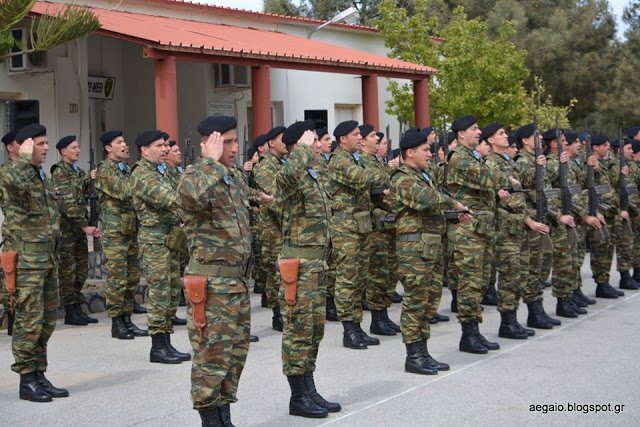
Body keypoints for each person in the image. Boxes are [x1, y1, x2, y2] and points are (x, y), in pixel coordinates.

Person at [177, 115, 271, 426]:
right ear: (207, 145)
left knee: (234, 355)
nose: (233, 148)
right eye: (226, 142)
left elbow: (250, 200)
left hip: (236, 281)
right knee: (211, 356)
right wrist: (211, 162)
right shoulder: (194, 176)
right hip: (211, 284)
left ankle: (224, 416)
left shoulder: (235, 179)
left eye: (234, 140)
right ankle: (210, 420)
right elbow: (191, 198)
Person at [275, 121, 340, 418]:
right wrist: (300, 148)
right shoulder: (290, 175)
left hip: (317, 264)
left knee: (314, 331)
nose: (319, 146)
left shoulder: (314, 175)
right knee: (298, 331)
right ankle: (297, 396)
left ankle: (309, 388)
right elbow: (286, 177)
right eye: (313, 141)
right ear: (297, 146)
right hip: (298, 266)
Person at [391, 131, 470, 374]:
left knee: (430, 301)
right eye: (425, 150)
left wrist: (456, 217)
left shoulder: (425, 175)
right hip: (414, 249)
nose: (430, 153)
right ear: (410, 153)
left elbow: (436, 207)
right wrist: (454, 204)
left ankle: (423, 352)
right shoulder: (402, 178)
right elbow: (426, 199)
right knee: (415, 302)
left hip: (431, 247)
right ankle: (413, 355)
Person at [1, 124, 68, 402]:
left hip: (48, 259)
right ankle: (26, 379)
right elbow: (13, 184)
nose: (45, 148)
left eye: (45, 143)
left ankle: (40, 374)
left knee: (46, 323)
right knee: (29, 322)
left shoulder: (42, 176)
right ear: (19, 147)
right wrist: (25, 158)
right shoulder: (10, 172)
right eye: (39, 143)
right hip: (26, 261)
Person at [446, 115, 514, 354]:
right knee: (470, 283)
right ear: (461, 134)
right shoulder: (459, 158)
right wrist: (509, 180)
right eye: (474, 129)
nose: (479, 132)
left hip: (481, 229)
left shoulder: (474, 156)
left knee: (481, 282)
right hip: (467, 231)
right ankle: (468, 334)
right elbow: (486, 178)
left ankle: (475, 330)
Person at [327, 120, 388, 349]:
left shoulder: (356, 159)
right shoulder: (339, 161)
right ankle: (348, 330)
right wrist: (388, 175)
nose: (360, 138)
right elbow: (364, 178)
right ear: (343, 139)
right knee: (347, 280)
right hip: (345, 230)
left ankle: (357, 326)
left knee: (361, 278)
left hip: (361, 227)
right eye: (355, 135)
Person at [484, 123, 547, 339]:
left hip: (516, 226)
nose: (506, 136)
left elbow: (523, 185)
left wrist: (538, 166)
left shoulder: (507, 161)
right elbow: (498, 197)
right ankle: (507, 323)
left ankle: (514, 319)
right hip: (505, 228)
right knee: (510, 275)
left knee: (519, 274)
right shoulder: (490, 163)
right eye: (501, 134)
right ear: (490, 140)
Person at [131, 130, 189, 364]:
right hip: (155, 241)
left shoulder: (162, 172)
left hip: (170, 239)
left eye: (166, 145)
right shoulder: (143, 175)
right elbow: (170, 198)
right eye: (159, 145)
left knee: (172, 291)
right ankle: (158, 346)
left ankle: (166, 342)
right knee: (160, 292)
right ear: (145, 150)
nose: (165, 149)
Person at [96, 130, 147, 340]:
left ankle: (127, 318)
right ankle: (116, 322)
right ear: (109, 148)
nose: (125, 145)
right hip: (115, 232)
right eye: (119, 142)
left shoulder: (125, 168)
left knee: (132, 276)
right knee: (118, 278)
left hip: (129, 229)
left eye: (124, 142)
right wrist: (144, 178)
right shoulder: (105, 170)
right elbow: (126, 191)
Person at [513, 124, 560, 329]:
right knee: (532, 267)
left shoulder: (536, 159)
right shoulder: (522, 160)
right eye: (535, 135)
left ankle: (537, 306)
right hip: (531, 221)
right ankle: (533, 310)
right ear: (525, 140)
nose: (540, 137)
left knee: (542, 266)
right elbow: (525, 183)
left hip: (544, 216)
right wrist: (537, 168)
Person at [50, 135, 101, 326]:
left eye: (78, 147)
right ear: (64, 151)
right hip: (66, 231)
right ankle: (71, 310)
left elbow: (83, 191)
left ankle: (77, 306)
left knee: (80, 271)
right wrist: (84, 224)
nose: (78, 150)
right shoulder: (59, 172)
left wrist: (91, 178)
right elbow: (66, 202)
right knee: (68, 271)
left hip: (77, 230)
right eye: (74, 147)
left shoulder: (77, 171)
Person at [358, 124, 399, 336]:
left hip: (387, 225)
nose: (377, 139)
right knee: (378, 273)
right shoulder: (362, 161)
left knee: (388, 273)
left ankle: (383, 314)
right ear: (363, 141)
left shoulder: (377, 162)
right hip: (376, 227)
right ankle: (377, 317)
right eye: (373, 136)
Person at [253, 126, 287, 330]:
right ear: (271, 142)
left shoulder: (285, 163)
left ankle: (286, 309)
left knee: (288, 271)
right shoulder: (265, 166)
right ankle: (277, 314)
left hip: (287, 226)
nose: (287, 142)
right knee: (276, 272)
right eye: (282, 139)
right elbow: (274, 195)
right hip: (273, 228)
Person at [164, 137, 189, 326]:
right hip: (163, 230)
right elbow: (173, 197)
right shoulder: (147, 173)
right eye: (175, 150)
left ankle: (171, 313)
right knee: (162, 280)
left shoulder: (176, 171)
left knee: (176, 271)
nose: (178, 153)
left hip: (177, 226)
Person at [1, 130, 19, 336]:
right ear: (10, 147)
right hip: (14, 233)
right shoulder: (6, 172)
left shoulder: (33, 171)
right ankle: (12, 315)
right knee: (11, 276)